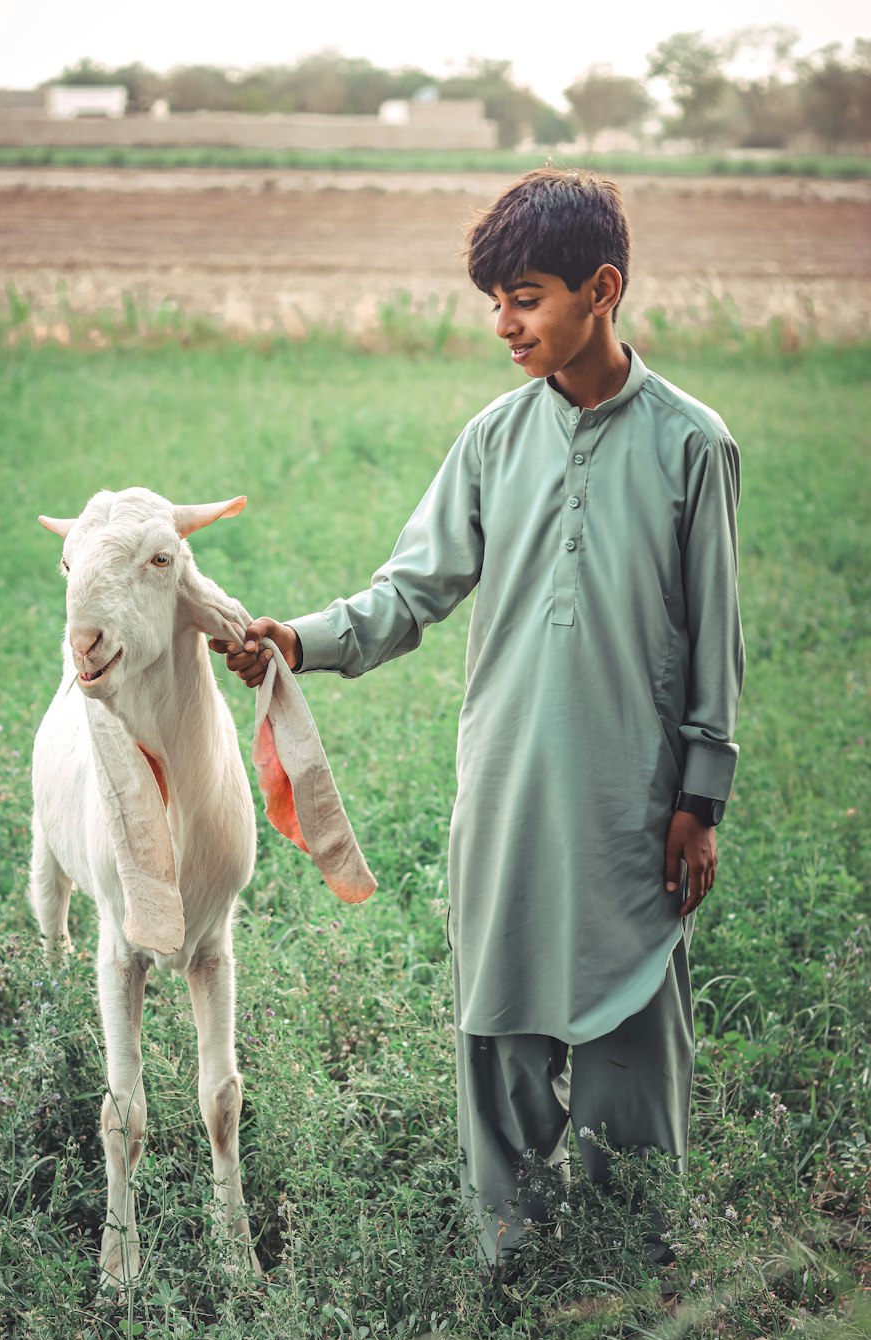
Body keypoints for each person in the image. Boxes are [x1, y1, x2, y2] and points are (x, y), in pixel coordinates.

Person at [211, 167, 744, 1282]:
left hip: (628, 800)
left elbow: (714, 642)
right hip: (502, 788)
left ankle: (637, 1269)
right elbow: (409, 592)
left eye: (527, 297)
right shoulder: (495, 440)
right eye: (494, 301)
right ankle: (512, 1258)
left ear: (601, 290)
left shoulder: (693, 444)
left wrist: (699, 802)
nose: (503, 324)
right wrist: (298, 638)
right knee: (498, 1022)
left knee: (628, 1035)